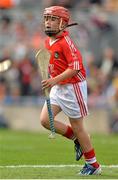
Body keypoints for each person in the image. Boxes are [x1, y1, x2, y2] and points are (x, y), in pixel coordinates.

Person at [40, 6, 101, 175]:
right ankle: (77, 140)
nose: (47, 22)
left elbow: (75, 68)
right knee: (45, 120)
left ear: (62, 23)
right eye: (46, 18)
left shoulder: (67, 43)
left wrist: (53, 80)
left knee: (78, 126)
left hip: (73, 87)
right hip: (58, 86)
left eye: (52, 19)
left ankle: (93, 165)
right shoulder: (48, 41)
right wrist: (50, 77)